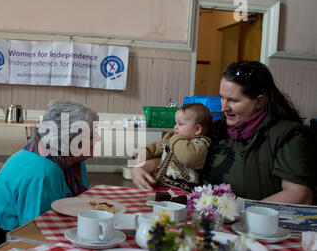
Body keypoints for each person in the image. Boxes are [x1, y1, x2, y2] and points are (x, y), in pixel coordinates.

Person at [133, 61, 315, 205]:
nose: (224, 107)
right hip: (206, 216)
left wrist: (244, 213)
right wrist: (144, 167)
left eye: (233, 100)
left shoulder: (288, 135)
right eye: (222, 97)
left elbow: (300, 194)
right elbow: (185, 156)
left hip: (256, 229)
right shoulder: (218, 128)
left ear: (259, 101)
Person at [0, 100, 100, 249]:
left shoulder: (73, 162)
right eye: (92, 135)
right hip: (3, 242)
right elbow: (36, 234)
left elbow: (78, 207)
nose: (98, 139)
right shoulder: (43, 171)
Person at [132, 103, 212, 192]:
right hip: (161, 184)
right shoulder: (174, 139)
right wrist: (145, 151)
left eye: (180, 124)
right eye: (176, 123)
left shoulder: (200, 144)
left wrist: (175, 138)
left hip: (181, 190)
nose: (175, 127)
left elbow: (188, 158)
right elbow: (158, 146)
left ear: (197, 130)